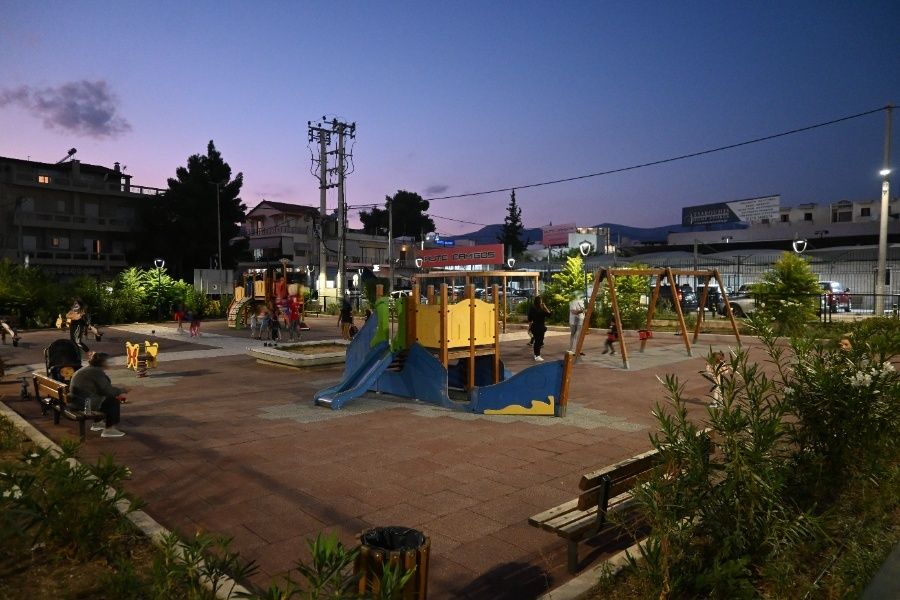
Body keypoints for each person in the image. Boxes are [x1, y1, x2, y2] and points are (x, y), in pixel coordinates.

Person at [69, 352, 130, 438]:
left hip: (76, 400)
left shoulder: (88, 369)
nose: (110, 363)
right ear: (102, 363)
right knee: (112, 401)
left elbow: (101, 389)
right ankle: (109, 430)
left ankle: (97, 423)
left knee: (103, 398)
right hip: (83, 403)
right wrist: (122, 390)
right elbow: (108, 390)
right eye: (108, 361)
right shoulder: (95, 372)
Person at [527, 295, 550, 362]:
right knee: (539, 341)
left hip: (534, 327)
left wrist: (529, 327)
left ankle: (536, 355)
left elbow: (529, 319)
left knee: (537, 341)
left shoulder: (532, 308)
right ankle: (537, 355)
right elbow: (549, 315)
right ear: (540, 302)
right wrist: (545, 307)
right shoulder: (542, 309)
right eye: (541, 301)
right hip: (540, 327)